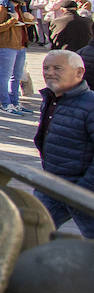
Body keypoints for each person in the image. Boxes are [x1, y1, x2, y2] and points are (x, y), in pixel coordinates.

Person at [33, 51, 94, 237]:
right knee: (27, 231)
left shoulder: (90, 104)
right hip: (53, 185)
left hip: (82, 190)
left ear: (79, 72)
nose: (49, 72)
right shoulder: (52, 99)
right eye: (46, 68)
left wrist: (84, 188)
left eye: (57, 68)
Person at [0, 0, 36, 115]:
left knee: (17, 75)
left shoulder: (20, 8)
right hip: (8, 45)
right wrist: (12, 20)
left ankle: (15, 102)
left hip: (21, 45)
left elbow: (23, 24)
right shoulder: (1, 8)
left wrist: (28, 18)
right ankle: (5, 104)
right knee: (5, 75)